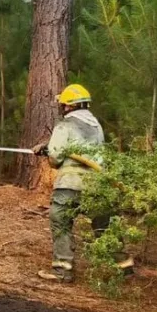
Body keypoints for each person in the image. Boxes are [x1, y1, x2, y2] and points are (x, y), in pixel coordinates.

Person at [32, 84, 124, 283]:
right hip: (98, 185)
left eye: (64, 104)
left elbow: (56, 158)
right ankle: (122, 268)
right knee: (104, 226)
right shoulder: (96, 126)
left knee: (61, 222)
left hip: (69, 186)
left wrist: (47, 151)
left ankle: (63, 271)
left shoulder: (64, 125)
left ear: (68, 106)